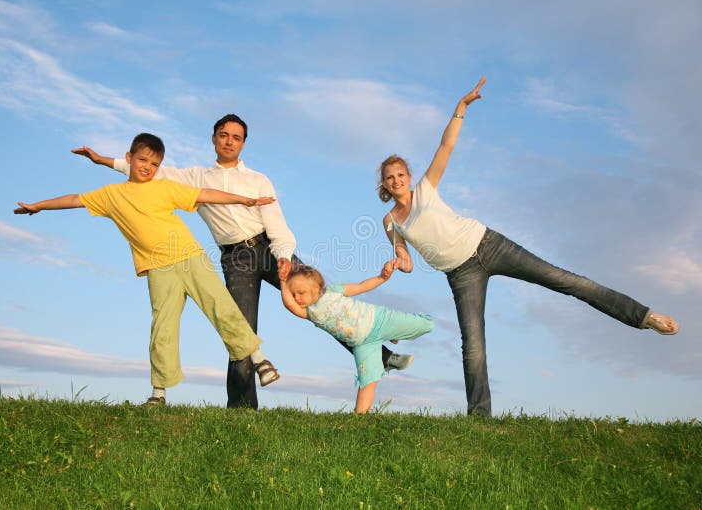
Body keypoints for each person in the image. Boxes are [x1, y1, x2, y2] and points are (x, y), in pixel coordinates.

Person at [378, 77, 680, 417]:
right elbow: (405, 258)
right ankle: (480, 421)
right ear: (385, 185)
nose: (397, 180)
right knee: (473, 346)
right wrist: (398, 265)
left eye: (401, 173)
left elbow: (445, 147)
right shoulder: (391, 222)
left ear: (408, 175)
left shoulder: (426, 188)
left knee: (567, 281)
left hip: (488, 245)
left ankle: (644, 316)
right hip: (460, 275)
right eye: (390, 177)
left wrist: (460, 109)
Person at [73, 114, 412, 410]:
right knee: (238, 326)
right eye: (224, 135)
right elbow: (148, 172)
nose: (229, 141)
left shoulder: (258, 180)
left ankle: (380, 354)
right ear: (214, 139)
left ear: (243, 143)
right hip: (236, 258)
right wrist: (103, 160)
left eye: (236, 137)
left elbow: (277, 222)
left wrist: (283, 258)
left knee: (323, 305)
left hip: (269, 248)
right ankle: (242, 408)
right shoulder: (194, 176)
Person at [14, 132, 281, 406]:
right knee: (162, 327)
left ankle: (260, 361)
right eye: (142, 160)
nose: (147, 167)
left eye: (154, 164)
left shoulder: (164, 187)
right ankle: (158, 393)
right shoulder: (111, 195)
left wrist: (243, 200)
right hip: (158, 268)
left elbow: (204, 193)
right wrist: (40, 206)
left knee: (221, 308)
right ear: (129, 158)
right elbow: (74, 199)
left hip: (191, 258)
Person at [280, 262, 434, 413]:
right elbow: (290, 305)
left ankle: (393, 335)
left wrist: (382, 277)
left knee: (426, 325)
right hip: (362, 345)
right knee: (367, 381)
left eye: (300, 293)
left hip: (377, 320)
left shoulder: (333, 291)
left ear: (315, 288)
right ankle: (360, 418)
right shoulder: (311, 314)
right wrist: (283, 281)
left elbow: (361, 286)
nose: (296, 298)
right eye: (293, 294)